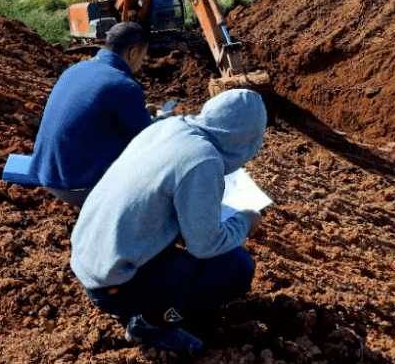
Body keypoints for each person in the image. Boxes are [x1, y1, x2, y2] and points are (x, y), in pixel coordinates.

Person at [70, 88, 267, 353]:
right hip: (112, 283)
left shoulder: (168, 127)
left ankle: (143, 302)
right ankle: (151, 325)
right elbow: (205, 245)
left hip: (88, 259)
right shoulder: (203, 160)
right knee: (236, 268)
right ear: (245, 139)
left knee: (190, 258)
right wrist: (244, 221)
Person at [28, 22, 155, 206]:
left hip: (47, 176)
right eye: (142, 57)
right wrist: (162, 120)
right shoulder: (124, 86)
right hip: (79, 186)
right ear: (133, 53)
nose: (140, 64)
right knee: (150, 153)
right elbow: (149, 135)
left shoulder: (74, 70)